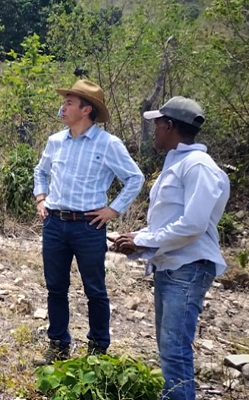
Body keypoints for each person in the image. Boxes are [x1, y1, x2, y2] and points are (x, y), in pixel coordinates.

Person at [112, 97, 230, 400]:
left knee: (175, 350)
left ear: (169, 126)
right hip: (172, 265)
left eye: (157, 125)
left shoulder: (198, 167)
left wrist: (144, 241)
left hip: (188, 267)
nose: (154, 131)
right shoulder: (180, 163)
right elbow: (173, 219)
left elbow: (193, 224)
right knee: (169, 349)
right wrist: (138, 238)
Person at [32, 79, 144, 364]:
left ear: (86, 109)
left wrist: (113, 210)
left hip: (88, 226)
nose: (63, 107)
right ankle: (57, 345)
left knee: (95, 289)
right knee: (55, 287)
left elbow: (135, 178)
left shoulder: (108, 144)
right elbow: (40, 172)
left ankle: (98, 350)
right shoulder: (55, 141)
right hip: (55, 224)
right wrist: (40, 199)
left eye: (69, 102)